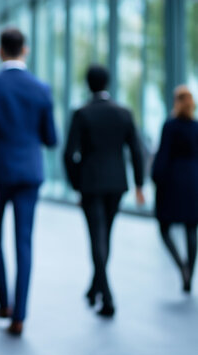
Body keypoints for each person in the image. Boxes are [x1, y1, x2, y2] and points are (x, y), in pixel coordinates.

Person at [0, 28, 57, 336]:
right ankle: (20, 314)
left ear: (0, 51)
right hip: (29, 174)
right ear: (26, 50)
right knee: (24, 242)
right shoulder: (41, 88)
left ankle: (3, 302)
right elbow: (51, 138)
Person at [63, 65, 145, 318]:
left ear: (88, 84)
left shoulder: (82, 113)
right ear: (108, 82)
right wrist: (140, 184)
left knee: (96, 237)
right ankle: (95, 287)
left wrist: (77, 184)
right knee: (105, 234)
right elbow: (136, 150)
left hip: (91, 183)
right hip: (117, 183)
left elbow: (69, 154)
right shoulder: (123, 112)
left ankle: (106, 295)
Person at [152, 85, 198, 294]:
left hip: (173, 182)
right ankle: (190, 271)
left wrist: (155, 178)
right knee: (191, 227)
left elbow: (163, 156)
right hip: (193, 181)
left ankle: (182, 267)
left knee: (164, 228)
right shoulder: (196, 127)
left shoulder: (170, 126)